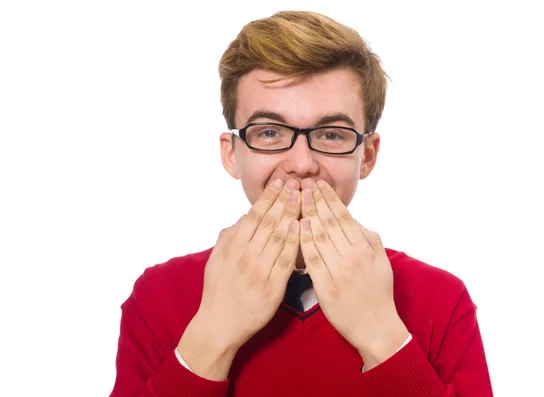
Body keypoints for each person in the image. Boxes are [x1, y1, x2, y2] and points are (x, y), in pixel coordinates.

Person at [109, 10, 493, 397]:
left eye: (330, 134)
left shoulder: (442, 300)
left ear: (369, 155)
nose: (301, 164)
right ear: (231, 153)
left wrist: (383, 339)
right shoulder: (156, 296)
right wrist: (213, 336)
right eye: (270, 132)